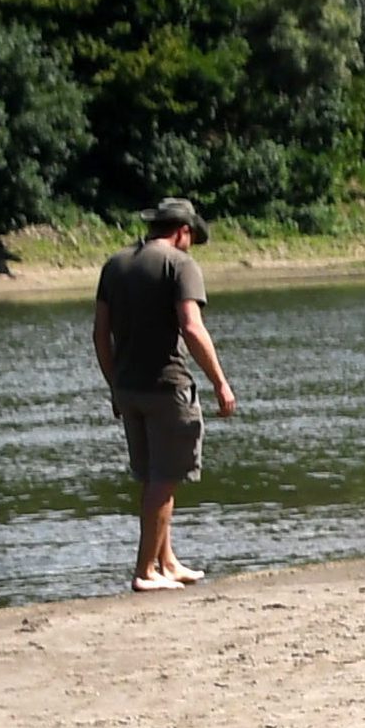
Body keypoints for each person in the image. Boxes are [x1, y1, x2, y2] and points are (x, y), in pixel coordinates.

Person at [93, 198, 237, 592]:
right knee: (166, 479)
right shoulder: (180, 264)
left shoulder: (115, 264)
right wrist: (220, 382)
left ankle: (166, 561)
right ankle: (144, 572)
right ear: (183, 231)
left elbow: (100, 334)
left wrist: (114, 385)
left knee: (154, 477)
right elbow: (192, 328)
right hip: (167, 387)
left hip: (129, 389)